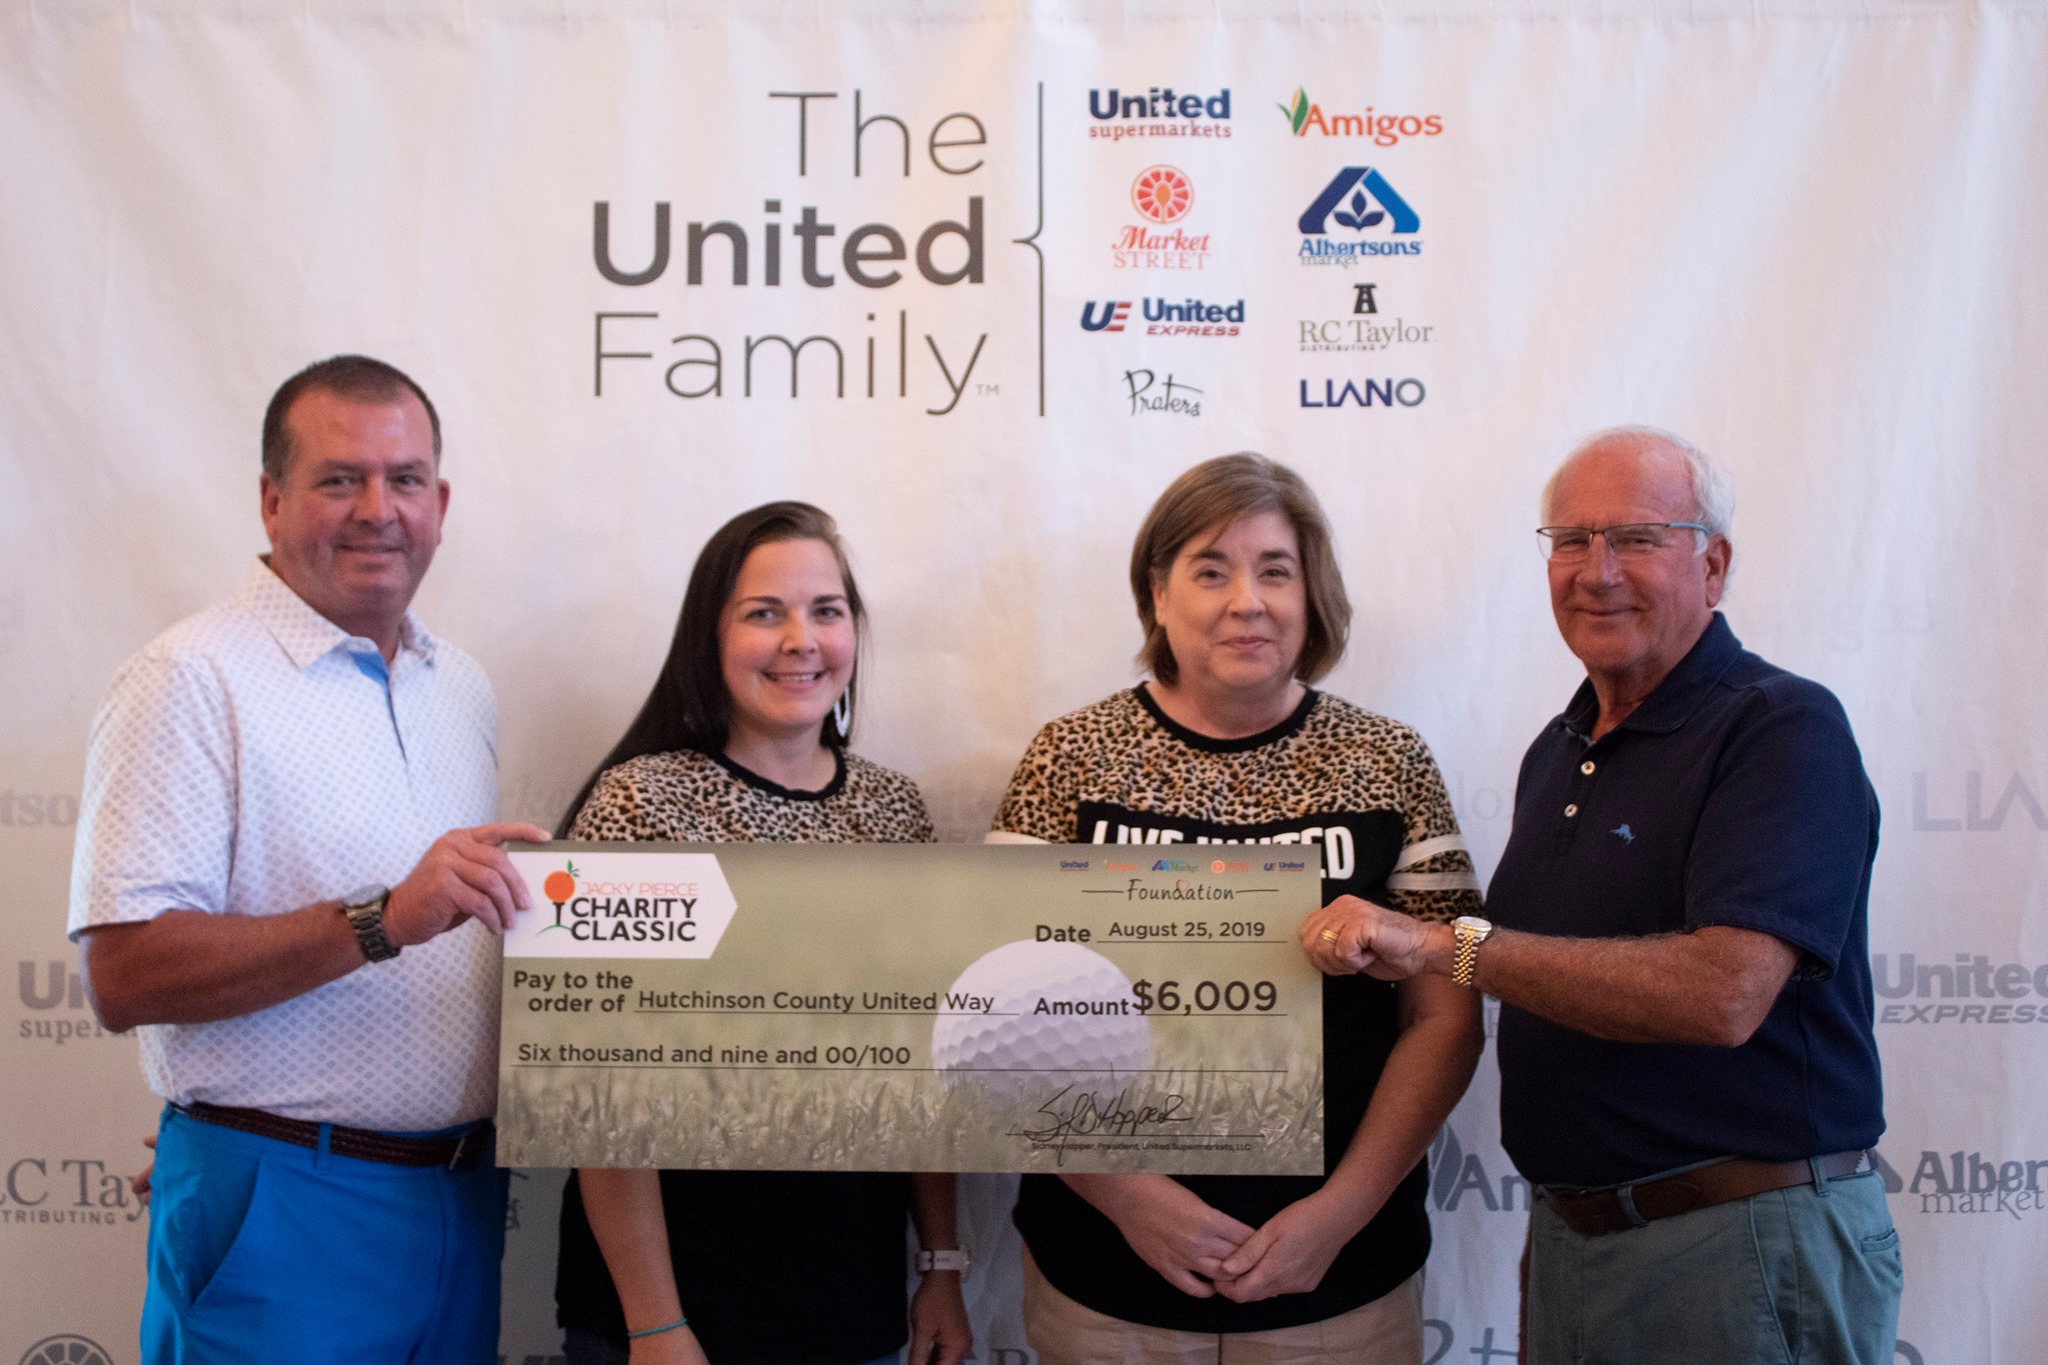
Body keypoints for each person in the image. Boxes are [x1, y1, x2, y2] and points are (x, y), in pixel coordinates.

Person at [1300, 427, 1901, 1364]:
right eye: (1571, 540)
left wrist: (1442, 945)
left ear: (1714, 565)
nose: (1597, 570)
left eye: (1636, 538)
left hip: (1738, 1243)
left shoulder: (1781, 727)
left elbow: (1723, 993)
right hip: (1580, 1237)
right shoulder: (1559, 748)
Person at [68, 354, 550, 1365]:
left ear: (440, 504)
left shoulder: (459, 685)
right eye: (340, 479)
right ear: (271, 500)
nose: (378, 510)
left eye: (404, 479)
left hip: (458, 1202)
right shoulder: (187, 677)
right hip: (280, 1202)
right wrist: (379, 919)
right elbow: (124, 974)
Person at [987, 454, 1485, 1362]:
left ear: (1312, 593)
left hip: (1340, 1280)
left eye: (1276, 570)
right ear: (1158, 592)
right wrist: (1130, 1196)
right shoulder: (1070, 756)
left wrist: (1338, 1214)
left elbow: (1447, 1008)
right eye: (1211, 570)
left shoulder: (1390, 760)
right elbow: (993, 1014)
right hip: (1104, 1276)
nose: (1246, 601)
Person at [552, 501, 972, 1365]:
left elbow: (920, 1071)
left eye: (827, 610)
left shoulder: (895, 811)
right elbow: (597, 1092)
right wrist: (655, 1323)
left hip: (849, 1295)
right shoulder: (640, 805)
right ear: (709, 636)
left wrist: (941, 1263)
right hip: (671, 1304)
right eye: (763, 612)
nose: (800, 640)